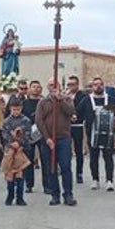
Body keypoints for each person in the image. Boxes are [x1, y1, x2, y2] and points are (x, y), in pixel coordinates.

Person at [36, 78, 77, 206]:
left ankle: (68, 194)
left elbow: (71, 112)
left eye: (55, 85)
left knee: (65, 167)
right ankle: (55, 195)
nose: (53, 87)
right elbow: (39, 121)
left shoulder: (67, 99)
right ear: (47, 87)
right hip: (48, 140)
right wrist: (47, 138)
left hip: (64, 138)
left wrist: (60, 100)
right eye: (50, 85)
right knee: (51, 168)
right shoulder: (43, 102)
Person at [82, 76, 115, 191]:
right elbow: (78, 112)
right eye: (96, 84)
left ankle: (109, 180)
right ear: (92, 87)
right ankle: (95, 179)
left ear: (103, 86)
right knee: (94, 158)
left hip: (108, 135)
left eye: (100, 84)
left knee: (108, 157)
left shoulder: (110, 99)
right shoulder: (87, 100)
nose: (98, 86)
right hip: (92, 134)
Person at [67, 75, 88, 184]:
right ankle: (66, 170)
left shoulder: (83, 96)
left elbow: (83, 109)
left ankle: (79, 173)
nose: (70, 86)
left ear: (77, 85)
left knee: (78, 150)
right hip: (66, 126)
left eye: (73, 84)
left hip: (78, 125)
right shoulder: (65, 95)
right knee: (66, 150)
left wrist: (76, 114)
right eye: (69, 84)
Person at [2, 127, 32, 205]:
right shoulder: (7, 123)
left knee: (20, 181)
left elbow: (28, 143)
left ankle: (20, 198)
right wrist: (10, 145)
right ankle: (10, 197)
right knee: (10, 182)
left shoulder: (25, 122)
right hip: (10, 163)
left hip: (20, 163)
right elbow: (4, 137)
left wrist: (21, 146)